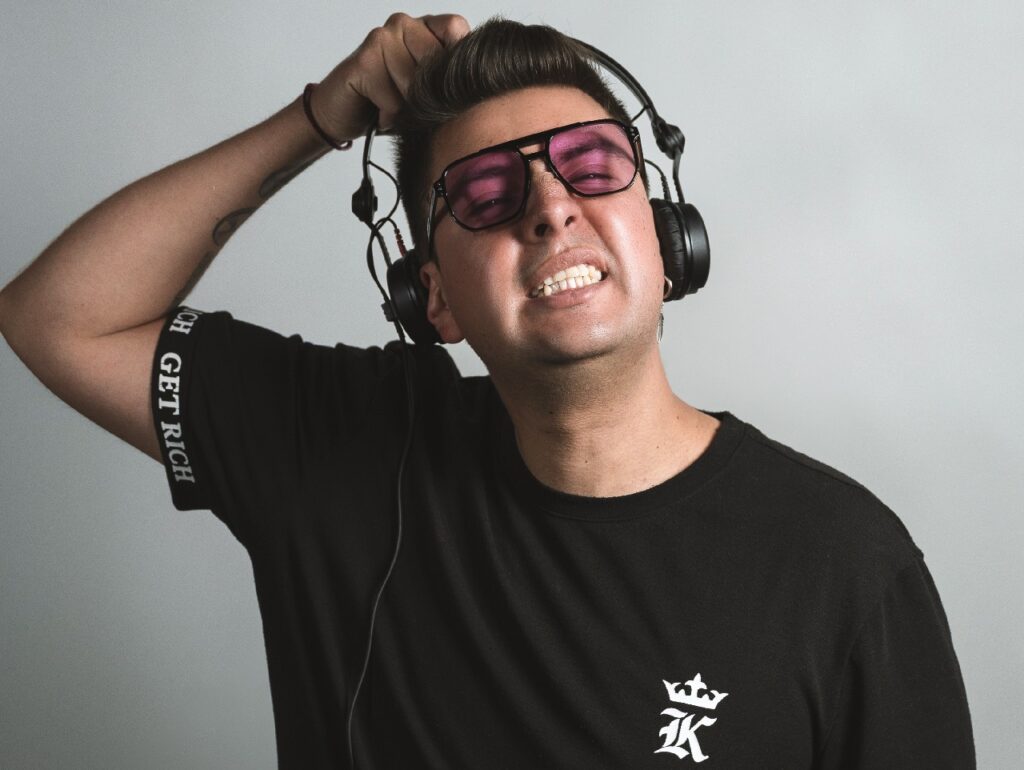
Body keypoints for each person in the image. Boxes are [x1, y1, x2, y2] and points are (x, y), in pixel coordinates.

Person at [0, 12, 975, 769]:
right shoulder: (342, 445)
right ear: (430, 296)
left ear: (666, 234)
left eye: (592, 165)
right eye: (485, 193)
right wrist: (319, 118)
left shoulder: (843, 562)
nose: (551, 208)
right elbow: (57, 318)